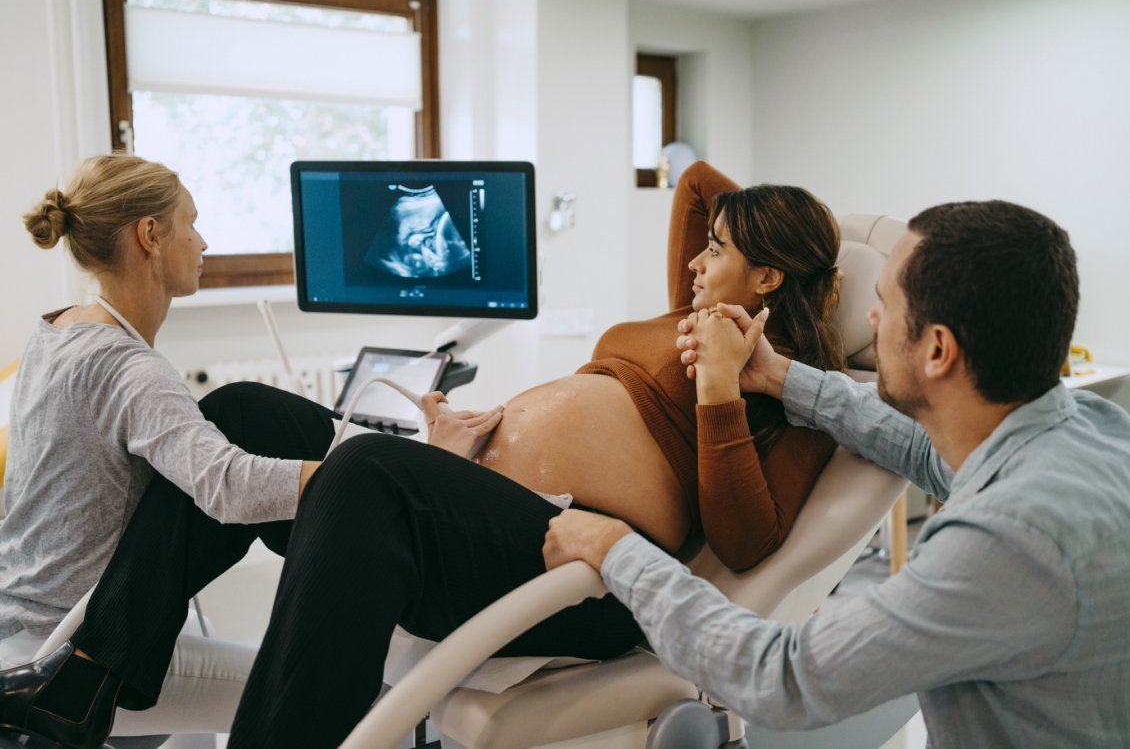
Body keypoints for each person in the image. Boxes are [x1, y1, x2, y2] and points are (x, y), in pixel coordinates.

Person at [1, 157, 842, 749]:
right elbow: (698, 186)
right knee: (239, 410)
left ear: (768, 279)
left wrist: (727, 387)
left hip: (577, 567)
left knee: (366, 470)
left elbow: (744, 543)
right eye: (708, 243)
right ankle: (91, 675)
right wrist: (756, 233)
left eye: (721, 250)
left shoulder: (783, 388)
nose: (697, 257)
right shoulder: (680, 313)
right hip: (484, 515)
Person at [543, 200, 1130, 747]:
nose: (868, 316)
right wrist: (777, 377)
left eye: (885, 303)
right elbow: (929, 453)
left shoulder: (1009, 541)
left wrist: (616, 550)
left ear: (938, 350)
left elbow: (784, 678)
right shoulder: (1092, 426)